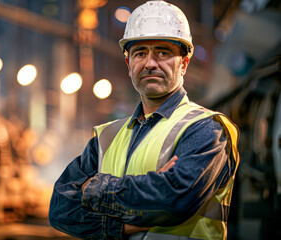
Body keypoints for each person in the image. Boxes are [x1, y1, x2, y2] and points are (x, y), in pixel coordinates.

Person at [48, 1, 240, 240]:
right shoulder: (107, 137)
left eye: (163, 52)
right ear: (129, 65)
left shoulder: (205, 129)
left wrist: (95, 187)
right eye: (140, 53)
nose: (150, 63)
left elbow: (174, 200)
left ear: (184, 64)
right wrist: (122, 227)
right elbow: (59, 209)